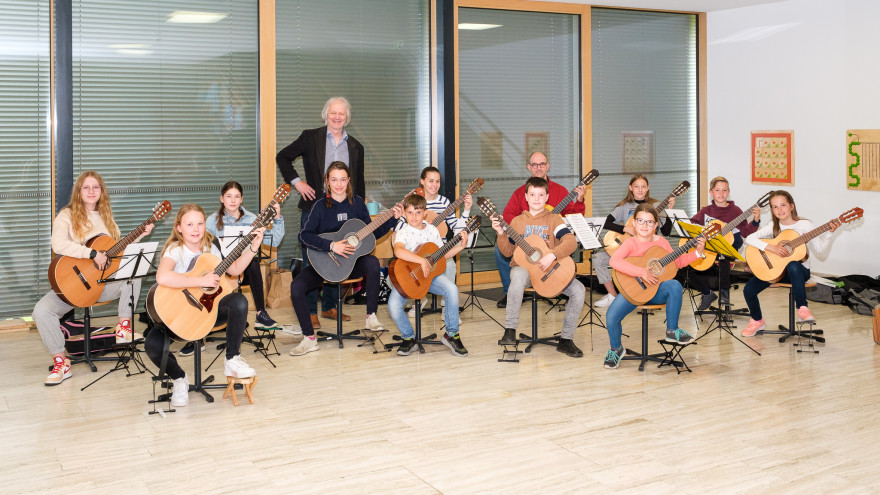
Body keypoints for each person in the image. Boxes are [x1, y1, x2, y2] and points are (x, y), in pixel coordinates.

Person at [35, 171, 154, 386]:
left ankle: (124, 327)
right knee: (42, 311)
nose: (91, 191)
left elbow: (114, 252)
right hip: (74, 286)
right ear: (78, 191)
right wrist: (91, 254)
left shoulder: (107, 218)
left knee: (133, 272)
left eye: (96, 187)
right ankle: (61, 362)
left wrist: (140, 236)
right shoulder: (67, 215)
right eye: (86, 187)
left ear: (102, 191)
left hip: (101, 286)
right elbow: (58, 244)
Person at [144, 203, 262, 407]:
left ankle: (232, 359)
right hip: (179, 316)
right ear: (179, 227)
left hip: (208, 312)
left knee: (239, 301)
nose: (196, 229)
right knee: (152, 346)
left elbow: (234, 270)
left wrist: (253, 248)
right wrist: (201, 281)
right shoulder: (175, 250)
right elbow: (162, 277)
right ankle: (179, 379)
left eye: (200, 223)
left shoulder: (213, 245)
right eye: (189, 224)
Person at [289, 162, 402, 356]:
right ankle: (309, 339)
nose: (339, 184)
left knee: (373, 263)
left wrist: (393, 219)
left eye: (343, 179)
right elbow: (304, 236)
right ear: (327, 181)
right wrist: (332, 246)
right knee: (296, 286)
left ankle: (371, 316)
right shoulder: (319, 206)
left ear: (348, 180)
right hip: (324, 263)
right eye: (334, 180)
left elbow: (371, 234)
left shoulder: (357, 203)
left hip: (351, 264)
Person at [276, 96, 365, 329]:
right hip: (315, 208)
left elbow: (359, 182)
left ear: (347, 117)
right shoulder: (310, 137)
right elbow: (282, 157)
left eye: (341, 114)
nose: (337, 117)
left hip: (343, 211)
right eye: (333, 113)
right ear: (326, 114)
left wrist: (359, 211)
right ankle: (310, 311)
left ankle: (329, 307)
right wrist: (297, 183)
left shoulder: (356, 146)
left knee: (339, 258)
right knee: (312, 259)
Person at [492, 177, 586, 357]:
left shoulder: (554, 220)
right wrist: (501, 234)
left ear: (547, 197)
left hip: (549, 270)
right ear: (526, 197)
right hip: (524, 270)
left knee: (579, 289)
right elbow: (507, 252)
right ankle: (510, 331)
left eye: (541, 195)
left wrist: (552, 255)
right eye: (533, 194)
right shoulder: (517, 222)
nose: (536, 198)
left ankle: (566, 340)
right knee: (518, 275)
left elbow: (570, 242)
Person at [603, 204, 705, 369]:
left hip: (656, 291)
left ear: (656, 225)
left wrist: (698, 253)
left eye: (649, 222)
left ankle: (672, 330)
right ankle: (616, 349)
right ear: (634, 223)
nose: (645, 225)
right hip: (633, 290)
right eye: (641, 221)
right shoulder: (630, 243)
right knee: (611, 317)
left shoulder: (662, 242)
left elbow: (677, 262)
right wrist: (641, 272)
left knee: (674, 284)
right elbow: (614, 261)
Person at [495, 151, 586, 308]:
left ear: (547, 166)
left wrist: (579, 200)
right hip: (525, 244)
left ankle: (556, 284)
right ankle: (510, 292)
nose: (538, 168)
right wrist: (521, 232)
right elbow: (508, 215)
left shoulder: (560, 191)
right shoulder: (519, 193)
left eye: (542, 164)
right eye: (534, 164)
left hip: (551, 245)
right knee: (500, 251)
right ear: (529, 167)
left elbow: (574, 217)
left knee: (565, 248)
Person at [740, 191, 837, 337]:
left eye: (783, 205)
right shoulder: (773, 226)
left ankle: (802, 309)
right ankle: (757, 320)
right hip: (778, 271)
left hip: (800, 272)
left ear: (792, 206)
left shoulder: (805, 225)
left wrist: (829, 234)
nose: (779, 210)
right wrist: (772, 248)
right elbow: (749, 239)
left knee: (793, 264)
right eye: (775, 207)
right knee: (748, 290)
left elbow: (820, 251)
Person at [388, 194, 469, 356]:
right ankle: (408, 338)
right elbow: (398, 251)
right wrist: (421, 261)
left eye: (418, 212)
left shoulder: (432, 230)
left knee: (452, 289)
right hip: (409, 279)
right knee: (393, 305)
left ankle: (451, 334)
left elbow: (440, 256)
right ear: (404, 214)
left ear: (425, 213)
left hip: (430, 278)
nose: (414, 217)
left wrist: (460, 247)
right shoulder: (403, 232)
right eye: (410, 213)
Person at [206, 181, 285, 327]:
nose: (233, 200)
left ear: (241, 199)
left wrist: (277, 218)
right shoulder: (212, 220)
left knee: (254, 263)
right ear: (222, 198)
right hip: (221, 272)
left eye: (237, 196)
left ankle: (261, 313)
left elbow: (275, 241)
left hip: (244, 271)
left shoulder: (251, 219)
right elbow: (203, 247)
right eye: (228, 196)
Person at [398, 166, 472, 319]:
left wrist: (466, 211)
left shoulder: (444, 202)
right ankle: (417, 298)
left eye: (437, 181)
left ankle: (447, 309)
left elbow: (456, 227)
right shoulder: (414, 201)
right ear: (422, 181)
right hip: (415, 250)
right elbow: (399, 228)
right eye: (431, 181)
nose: (434, 185)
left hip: (439, 250)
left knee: (450, 265)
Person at [592, 174, 675, 309]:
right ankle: (612, 295)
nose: (640, 190)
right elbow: (606, 223)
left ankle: (645, 294)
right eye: (636, 186)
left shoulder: (656, 206)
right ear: (630, 188)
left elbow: (666, 232)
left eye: (643, 187)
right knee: (598, 258)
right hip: (627, 248)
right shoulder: (624, 207)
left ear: (648, 188)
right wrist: (625, 228)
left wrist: (669, 211)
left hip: (646, 253)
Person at [687, 177, 759, 310]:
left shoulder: (736, 211)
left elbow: (745, 232)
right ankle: (707, 293)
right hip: (710, 249)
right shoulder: (706, 211)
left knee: (723, 257)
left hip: (729, 248)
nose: (721, 193)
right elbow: (692, 224)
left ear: (728, 192)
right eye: (717, 190)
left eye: (724, 190)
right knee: (686, 267)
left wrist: (755, 221)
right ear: (711, 192)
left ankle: (724, 294)